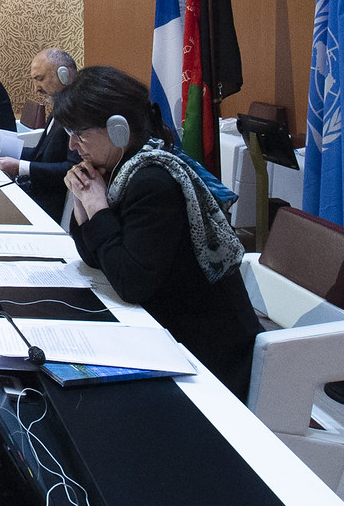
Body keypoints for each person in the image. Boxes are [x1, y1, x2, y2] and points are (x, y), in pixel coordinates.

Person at [51, 65, 261, 400]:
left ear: (117, 129)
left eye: (79, 133)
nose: (74, 146)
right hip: (164, 327)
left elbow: (130, 282)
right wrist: (83, 202)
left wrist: (98, 208)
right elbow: (94, 258)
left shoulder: (152, 181)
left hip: (206, 353)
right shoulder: (119, 169)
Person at [0, 49, 80, 219]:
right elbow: (41, 154)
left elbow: (71, 169)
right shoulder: (60, 106)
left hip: (45, 205)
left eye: (40, 79)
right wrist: (0, 151)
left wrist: (20, 167)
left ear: (64, 75)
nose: (36, 89)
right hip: (33, 191)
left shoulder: (78, 112)